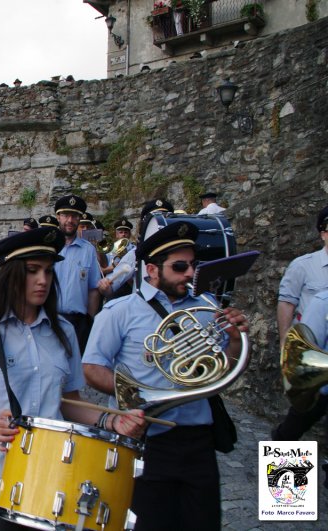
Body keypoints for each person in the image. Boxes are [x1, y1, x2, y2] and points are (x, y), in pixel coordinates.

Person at [0, 227, 147, 531]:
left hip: (51, 482)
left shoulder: (63, 331)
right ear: (11, 275)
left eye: (49, 272)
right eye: (32, 271)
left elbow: (69, 403)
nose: (43, 280)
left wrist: (111, 421)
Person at [82, 221, 250, 531]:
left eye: (193, 265)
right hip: (147, 439)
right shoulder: (120, 311)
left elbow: (224, 370)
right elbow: (92, 368)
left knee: (203, 523)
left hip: (198, 439)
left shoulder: (207, 307)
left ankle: (289, 503)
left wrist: (236, 340)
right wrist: (137, 394)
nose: (190, 273)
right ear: (152, 269)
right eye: (180, 266)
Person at [272, 204, 328, 441]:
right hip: (310, 355)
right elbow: (286, 303)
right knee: (295, 425)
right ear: (323, 232)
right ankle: (286, 471)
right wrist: (286, 343)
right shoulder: (303, 265)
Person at [98, 199, 174, 300]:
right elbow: (111, 286)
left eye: (163, 218)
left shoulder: (184, 252)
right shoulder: (135, 254)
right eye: (154, 220)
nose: (159, 224)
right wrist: (104, 286)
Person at [54, 194, 102, 351]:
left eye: (74, 216)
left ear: (79, 219)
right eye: (65, 215)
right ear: (58, 217)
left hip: (78, 322)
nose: (70, 220)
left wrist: (90, 320)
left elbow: (93, 290)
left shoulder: (88, 250)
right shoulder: (49, 247)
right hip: (50, 319)